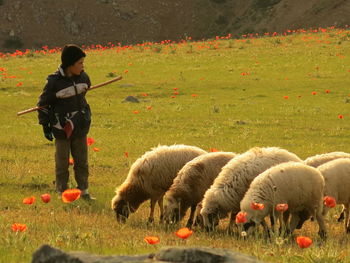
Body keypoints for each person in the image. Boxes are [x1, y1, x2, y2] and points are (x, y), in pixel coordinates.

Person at [37, 44, 95, 201]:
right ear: (70, 64)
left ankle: (84, 191)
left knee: (81, 161)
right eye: (80, 63)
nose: (83, 67)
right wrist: (45, 126)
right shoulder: (54, 83)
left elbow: (85, 92)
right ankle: (62, 192)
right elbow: (43, 105)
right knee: (62, 163)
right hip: (61, 128)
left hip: (80, 126)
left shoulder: (84, 78)